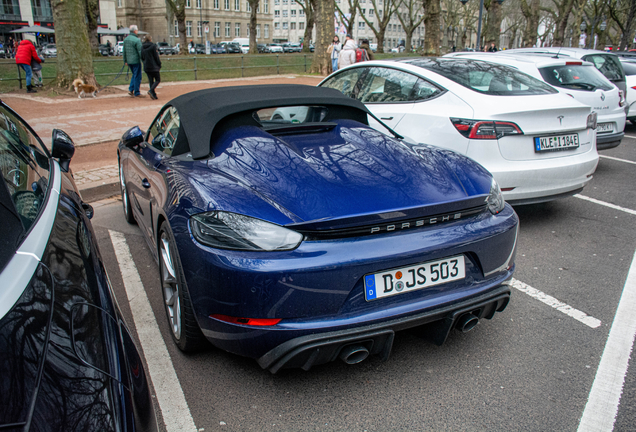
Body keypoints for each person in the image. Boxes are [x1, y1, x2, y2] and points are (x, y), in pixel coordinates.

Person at [123, 25, 143, 97]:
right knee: (137, 76)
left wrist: (125, 60)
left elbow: (124, 51)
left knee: (134, 75)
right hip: (136, 61)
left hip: (129, 61)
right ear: (135, 31)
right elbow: (140, 51)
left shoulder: (126, 40)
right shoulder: (137, 40)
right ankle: (136, 92)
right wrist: (143, 60)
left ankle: (131, 89)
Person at [141, 34, 162, 100]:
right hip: (154, 66)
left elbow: (142, 56)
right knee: (158, 79)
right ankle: (151, 90)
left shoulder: (142, 47)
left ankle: (153, 94)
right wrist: (159, 64)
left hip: (147, 66)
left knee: (151, 81)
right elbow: (156, 56)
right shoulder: (153, 46)